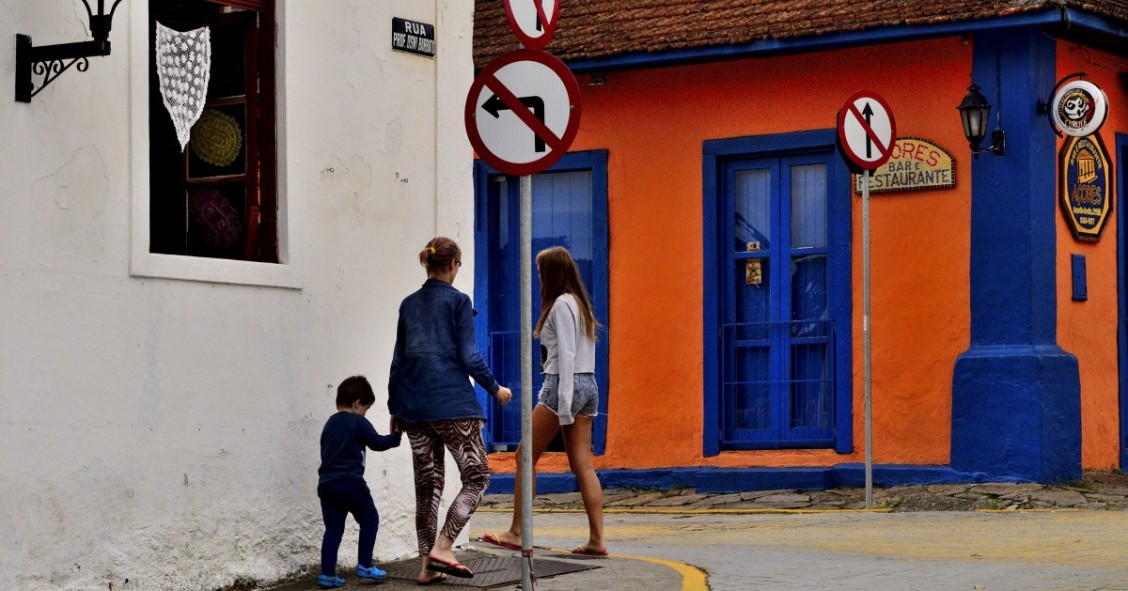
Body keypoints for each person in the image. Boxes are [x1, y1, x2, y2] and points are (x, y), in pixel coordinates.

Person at [388, 236, 514, 584]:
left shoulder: (408, 305)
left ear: (427, 264)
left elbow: (398, 361)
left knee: (427, 488)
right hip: (453, 406)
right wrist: (495, 388)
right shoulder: (458, 302)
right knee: (477, 477)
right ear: (454, 264)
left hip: (413, 407)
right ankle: (444, 546)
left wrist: (394, 405)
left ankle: (426, 566)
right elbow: (470, 356)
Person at [481, 246, 608, 557]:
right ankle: (597, 541)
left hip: (564, 384)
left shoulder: (562, 305)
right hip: (587, 382)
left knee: (524, 456)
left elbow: (565, 354)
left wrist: (564, 405)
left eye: (540, 271)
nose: (537, 277)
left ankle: (517, 531)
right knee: (582, 465)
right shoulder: (578, 303)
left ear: (551, 273)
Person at [316, 375, 402, 589]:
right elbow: (377, 443)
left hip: (327, 484)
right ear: (357, 403)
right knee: (370, 519)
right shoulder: (358, 421)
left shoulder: (329, 423)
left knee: (333, 529)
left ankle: (327, 574)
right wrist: (396, 436)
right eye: (366, 408)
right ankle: (364, 564)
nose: (365, 413)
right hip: (350, 482)